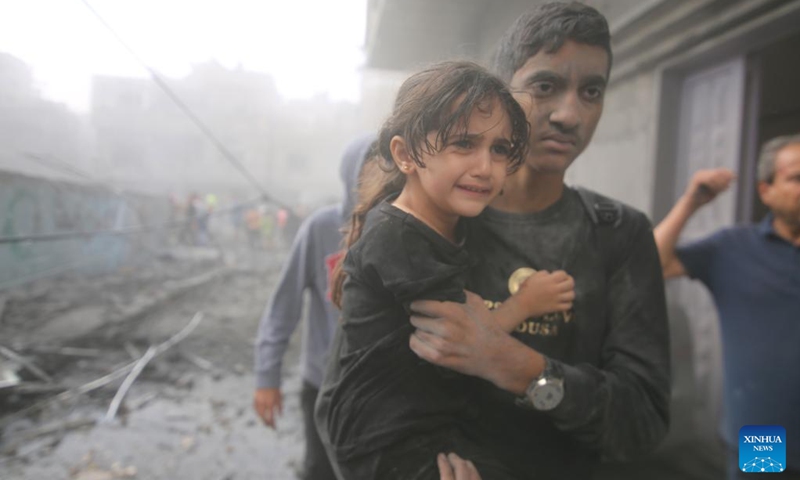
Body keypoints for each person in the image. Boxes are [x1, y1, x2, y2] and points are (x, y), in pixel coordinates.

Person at [404, 3, 672, 478]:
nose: (570, 114)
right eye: (546, 87)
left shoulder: (619, 234)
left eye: (592, 91)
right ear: (501, 94)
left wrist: (517, 366)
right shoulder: (427, 221)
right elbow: (353, 394)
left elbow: (642, 421)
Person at [315, 61, 576, 480]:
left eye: (499, 149)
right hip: (385, 442)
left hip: (410, 426)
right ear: (405, 155)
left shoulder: (436, 225)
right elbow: (462, 341)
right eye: (463, 144)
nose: (485, 166)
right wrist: (526, 302)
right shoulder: (401, 238)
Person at [654, 134, 800, 479]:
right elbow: (654, 265)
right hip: (764, 433)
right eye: (796, 178)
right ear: (766, 190)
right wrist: (691, 202)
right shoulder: (734, 249)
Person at [253, 134, 375, 480]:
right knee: (319, 470)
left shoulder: (399, 233)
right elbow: (283, 306)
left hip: (379, 389)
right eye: (369, 167)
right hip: (323, 384)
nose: (381, 177)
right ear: (350, 174)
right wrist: (267, 375)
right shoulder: (321, 228)